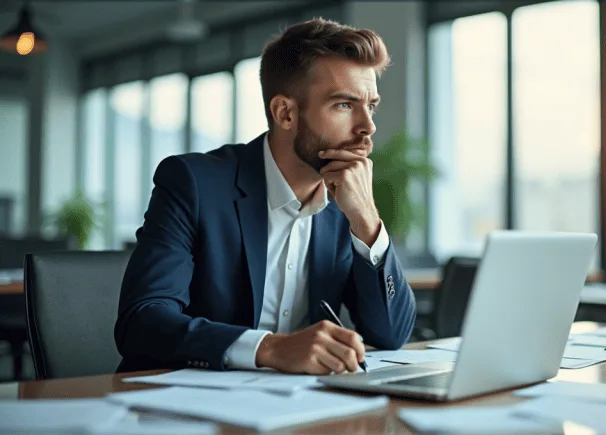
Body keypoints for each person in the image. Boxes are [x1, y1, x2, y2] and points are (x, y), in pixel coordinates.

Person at [114, 18, 416, 375]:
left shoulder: (347, 204)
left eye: (372, 106)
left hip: (300, 409)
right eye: (344, 105)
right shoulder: (194, 184)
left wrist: (367, 222)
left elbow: (392, 333)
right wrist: (270, 348)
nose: (368, 126)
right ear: (285, 113)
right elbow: (143, 322)